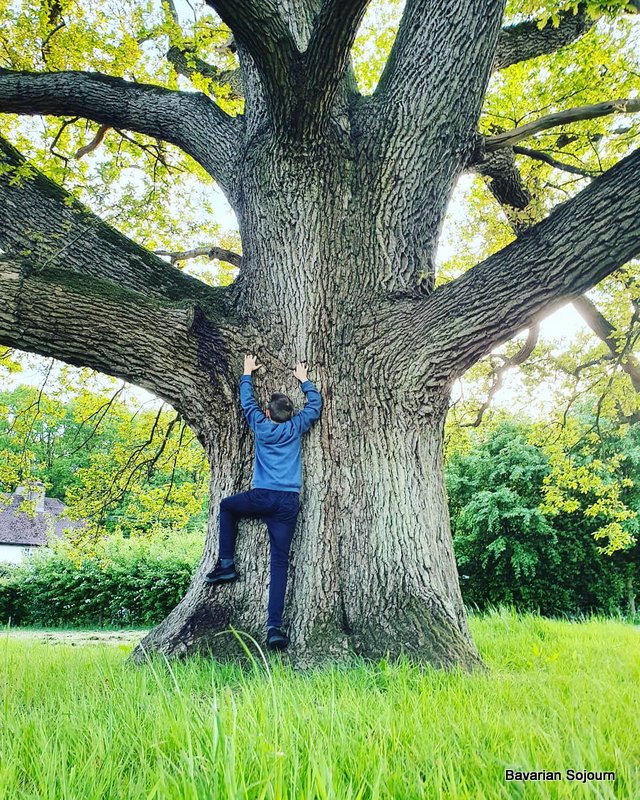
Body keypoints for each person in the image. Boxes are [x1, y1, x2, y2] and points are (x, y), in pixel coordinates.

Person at [204, 353, 323, 651]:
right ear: (290, 414)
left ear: (268, 413)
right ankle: (274, 629)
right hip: (288, 502)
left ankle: (227, 563)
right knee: (279, 564)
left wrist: (247, 373)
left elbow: (246, 402)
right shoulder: (296, 427)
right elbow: (315, 405)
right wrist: (304, 379)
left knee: (228, 506)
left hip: (262, 496)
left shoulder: (259, 424)